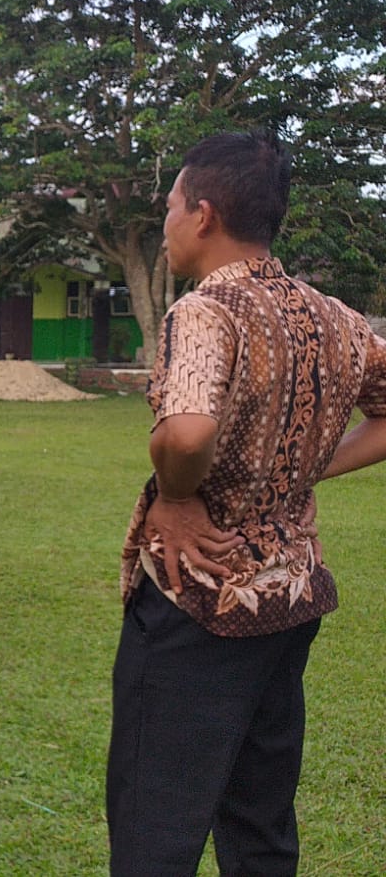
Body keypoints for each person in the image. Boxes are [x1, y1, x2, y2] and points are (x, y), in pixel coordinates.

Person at [106, 131, 386, 876]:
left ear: (202, 214)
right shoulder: (336, 318)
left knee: (154, 821)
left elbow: (189, 430)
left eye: (168, 206)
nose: (163, 223)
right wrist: (299, 468)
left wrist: (176, 496)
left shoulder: (207, 311)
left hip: (201, 595)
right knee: (259, 818)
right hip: (291, 599)